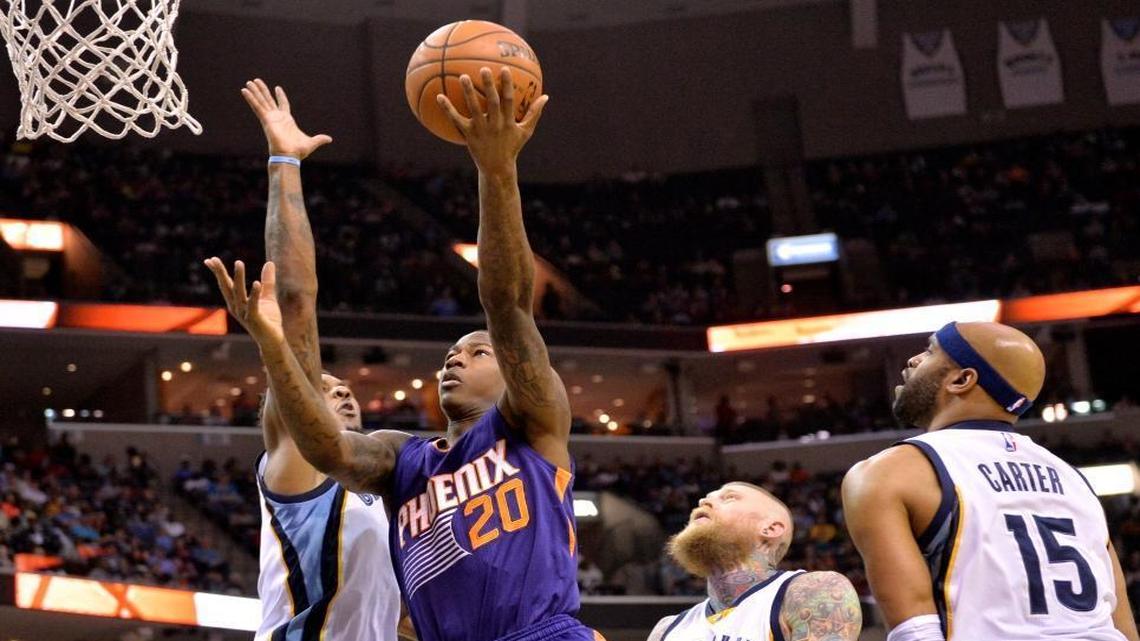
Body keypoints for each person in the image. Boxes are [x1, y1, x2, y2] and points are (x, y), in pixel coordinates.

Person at [207, 68, 598, 641]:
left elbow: (508, 304)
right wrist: (284, 168)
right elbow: (324, 439)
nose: (453, 361)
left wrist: (496, 168)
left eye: (476, 352)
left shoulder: (530, 425)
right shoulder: (401, 463)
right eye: (448, 355)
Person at [212, 79, 401, 641]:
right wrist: (284, 164)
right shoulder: (299, 465)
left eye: (344, 387)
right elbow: (296, 302)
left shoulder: (383, 488)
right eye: (320, 386)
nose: (340, 391)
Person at [842, 322, 1139, 641]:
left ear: (961, 379)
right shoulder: (1073, 479)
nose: (913, 360)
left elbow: (916, 630)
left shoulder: (887, 471)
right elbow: (1120, 621)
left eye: (929, 351)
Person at [647, 482, 861, 641]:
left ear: (770, 528)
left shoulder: (812, 592)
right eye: (706, 497)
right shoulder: (666, 629)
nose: (704, 501)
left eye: (729, 497)